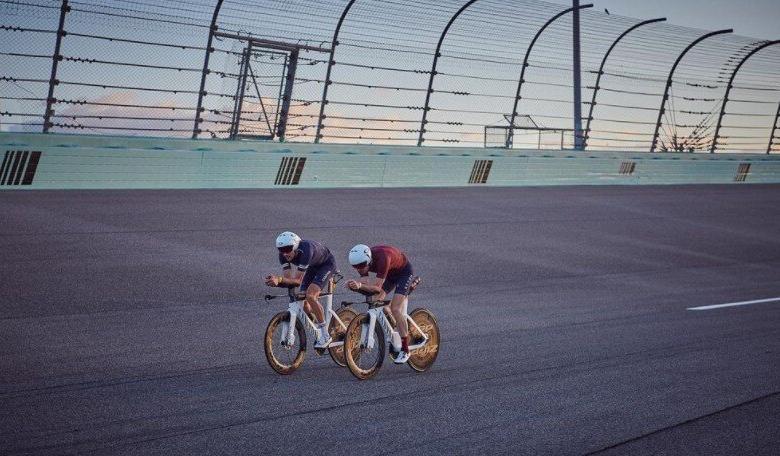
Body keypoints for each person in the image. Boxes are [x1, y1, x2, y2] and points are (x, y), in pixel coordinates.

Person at [346, 244, 415, 364]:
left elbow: (376, 288)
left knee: (395, 308)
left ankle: (405, 349)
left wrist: (360, 286)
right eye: (355, 267)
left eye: (361, 266)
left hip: (404, 273)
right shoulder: (362, 260)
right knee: (377, 301)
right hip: (390, 274)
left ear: (369, 260)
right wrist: (354, 286)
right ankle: (395, 328)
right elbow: (365, 284)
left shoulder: (382, 258)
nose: (359, 269)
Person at [265, 231, 336, 348]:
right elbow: (289, 281)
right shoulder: (283, 255)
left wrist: (279, 279)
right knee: (303, 302)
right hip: (312, 267)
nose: (285, 253)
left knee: (311, 295)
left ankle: (325, 335)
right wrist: (276, 282)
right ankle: (319, 320)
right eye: (281, 249)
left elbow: (297, 281)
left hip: (326, 265)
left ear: (296, 246)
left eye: (288, 249)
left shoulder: (306, 250)